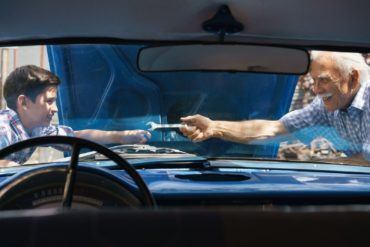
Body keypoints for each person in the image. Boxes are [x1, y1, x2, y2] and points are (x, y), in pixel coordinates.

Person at [180, 51, 370, 164]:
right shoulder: (326, 106)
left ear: (352, 77)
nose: (316, 90)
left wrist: (324, 165)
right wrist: (215, 127)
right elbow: (274, 130)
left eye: (324, 80)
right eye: (313, 81)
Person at [0, 65, 151, 167]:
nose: (56, 109)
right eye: (49, 101)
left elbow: (75, 137)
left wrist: (121, 137)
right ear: (24, 102)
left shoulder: (36, 129)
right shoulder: (3, 128)